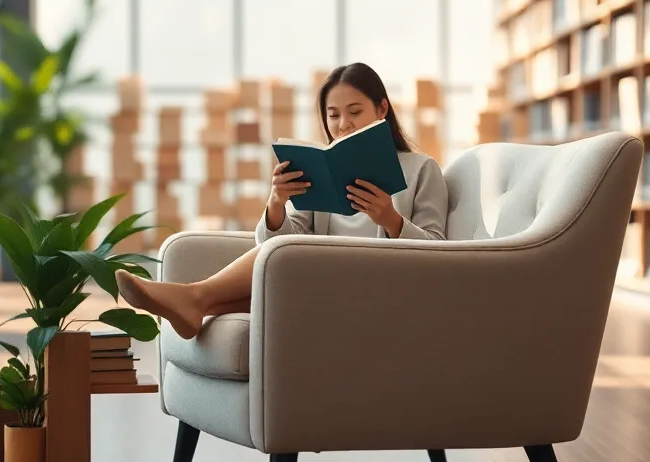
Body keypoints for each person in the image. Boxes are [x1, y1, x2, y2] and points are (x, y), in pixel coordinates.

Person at [114, 62, 449, 340]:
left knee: (288, 263)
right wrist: (276, 204)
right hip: (317, 283)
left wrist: (390, 219)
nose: (343, 125)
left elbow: (442, 258)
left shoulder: (422, 170)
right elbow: (278, 244)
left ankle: (195, 297)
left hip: (378, 288)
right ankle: (194, 303)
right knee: (282, 260)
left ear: (382, 108)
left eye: (355, 111)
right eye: (333, 116)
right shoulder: (326, 168)